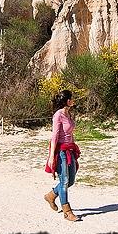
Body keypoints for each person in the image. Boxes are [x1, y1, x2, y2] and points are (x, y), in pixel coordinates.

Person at [43, 90, 81, 222]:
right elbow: (54, 136)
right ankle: (67, 212)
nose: (73, 100)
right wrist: (51, 156)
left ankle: (51, 195)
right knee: (64, 181)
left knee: (70, 181)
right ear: (67, 101)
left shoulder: (68, 114)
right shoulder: (58, 115)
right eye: (71, 98)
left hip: (70, 149)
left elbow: (70, 133)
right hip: (60, 151)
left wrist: (74, 147)